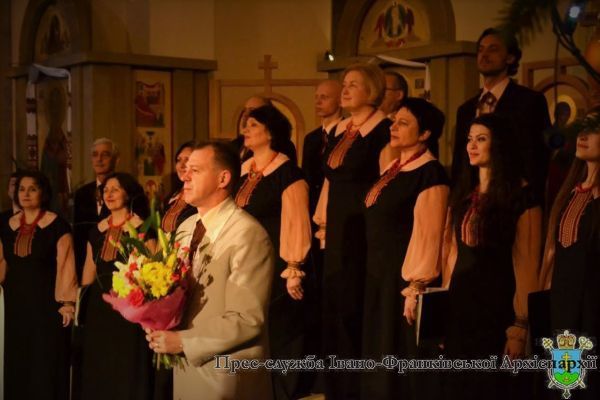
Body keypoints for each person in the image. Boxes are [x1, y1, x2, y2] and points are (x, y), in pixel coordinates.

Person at [146, 142, 275, 400]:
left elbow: (246, 318)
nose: (185, 176)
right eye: (185, 169)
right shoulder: (186, 227)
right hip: (186, 367)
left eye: (195, 170)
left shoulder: (247, 234)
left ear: (222, 178)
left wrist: (183, 341)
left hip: (225, 372)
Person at [442, 113, 542, 400]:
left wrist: (520, 325)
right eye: (469, 139)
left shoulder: (521, 196)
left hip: (496, 309)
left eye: (481, 139)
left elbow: (526, 261)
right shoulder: (465, 193)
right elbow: (453, 254)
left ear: (498, 145)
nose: (472, 146)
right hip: (461, 307)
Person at [313, 62, 391, 400]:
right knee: (334, 306)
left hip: (364, 229)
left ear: (371, 90)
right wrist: (323, 223)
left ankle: (358, 388)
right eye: (344, 84)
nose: (345, 90)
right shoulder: (340, 130)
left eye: (353, 85)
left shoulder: (383, 130)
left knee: (354, 307)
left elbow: (387, 182)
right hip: (338, 226)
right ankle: (336, 388)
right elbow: (330, 181)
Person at [361, 98, 449, 399]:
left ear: (424, 133)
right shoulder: (394, 167)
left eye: (404, 123)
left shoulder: (430, 174)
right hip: (380, 272)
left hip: (404, 276)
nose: (394, 127)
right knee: (380, 347)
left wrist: (415, 286)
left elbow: (429, 234)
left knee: (402, 353)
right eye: (394, 121)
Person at [234, 104, 312, 400]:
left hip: (277, 261)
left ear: (271, 133)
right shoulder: (244, 170)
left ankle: (282, 390)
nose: (246, 130)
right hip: (247, 259)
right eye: (246, 124)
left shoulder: (287, 173)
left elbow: (297, 222)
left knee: (280, 328)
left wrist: (294, 267)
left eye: (254, 125)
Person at [0, 170, 77, 400]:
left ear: (43, 193)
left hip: (47, 307)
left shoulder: (57, 226)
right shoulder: (7, 226)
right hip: (15, 305)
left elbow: (66, 265)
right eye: (22, 189)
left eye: (32, 189)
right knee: (18, 360)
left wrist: (67, 303)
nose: (26, 194)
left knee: (45, 362)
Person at [451, 27, 550, 203]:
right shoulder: (465, 110)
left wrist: (528, 198)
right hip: (471, 199)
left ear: (510, 57)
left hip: (514, 198)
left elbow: (538, 156)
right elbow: (459, 162)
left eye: (493, 49)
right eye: (480, 50)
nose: (484, 55)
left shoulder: (529, 101)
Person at [540, 109, 600, 400]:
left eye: (593, 129)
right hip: (563, 311)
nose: (583, 136)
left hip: (593, 311)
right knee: (566, 386)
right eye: (581, 129)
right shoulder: (570, 192)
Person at [78, 172, 154, 400]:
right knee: (101, 363)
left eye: (115, 189)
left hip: (130, 305)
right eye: (106, 190)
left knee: (126, 363)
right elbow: (89, 271)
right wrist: (81, 306)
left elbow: (151, 272)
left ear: (128, 194)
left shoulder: (142, 229)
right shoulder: (96, 231)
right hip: (100, 306)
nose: (109, 194)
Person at [73, 137, 119, 279]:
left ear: (116, 159)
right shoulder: (82, 194)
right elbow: (78, 234)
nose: (99, 159)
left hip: (116, 265)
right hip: (86, 266)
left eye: (105, 155)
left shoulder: (127, 191)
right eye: (95, 155)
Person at [302, 80, 343, 217]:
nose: (318, 102)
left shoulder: (347, 134)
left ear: (340, 101)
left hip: (336, 204)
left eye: (324, 97)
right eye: (316, 97)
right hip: (313, 207)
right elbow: (306, 176)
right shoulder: (311, 138)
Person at [232, 95, 298, 164]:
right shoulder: (235, 145)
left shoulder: (284, 147)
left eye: (252, 110)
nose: (245, 114)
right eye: (245, 110)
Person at [161, 141, 197, 233]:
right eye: (178, 160)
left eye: (187, 160)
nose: (181, 165)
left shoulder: (202, 196)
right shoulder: (174, 195)